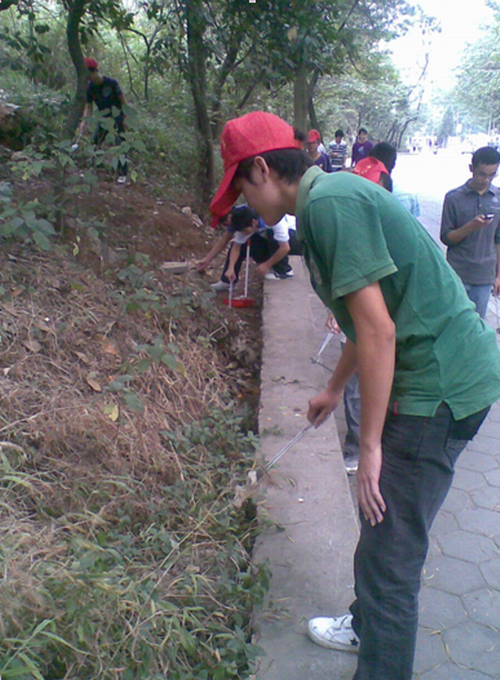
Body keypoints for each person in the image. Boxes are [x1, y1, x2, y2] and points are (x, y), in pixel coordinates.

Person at [209, 111, 500, 680]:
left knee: (391, 558)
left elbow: (379, 332)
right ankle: (366, 625)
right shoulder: (326, 201)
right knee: (382, 531)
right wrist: (334, 387)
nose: (245, 203)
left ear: (262, 169)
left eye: (241, 187)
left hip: (438, 390)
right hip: (439, 375)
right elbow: (369, 316)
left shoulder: (330, 205)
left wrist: (368, 448)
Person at [440, 146, 500, 318]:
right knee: (455, 322)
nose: (486, 180)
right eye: (482, 174)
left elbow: (498, 239)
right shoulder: (454, 198)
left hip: (484, 276)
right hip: (458, 273)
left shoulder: (497, 197)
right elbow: (446, 238)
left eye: (492, 175)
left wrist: (498, 275)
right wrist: (471, 226)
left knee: (477, 324)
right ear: (471, 168)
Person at [210, 207, 299, 292]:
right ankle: (227, 282)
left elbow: (285, 248)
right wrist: (231, 268)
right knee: (245, 243)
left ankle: (284, 271)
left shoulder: (272, 219)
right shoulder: (244, 222)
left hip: (296, 239)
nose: (244, 233)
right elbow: (236, 247)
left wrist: (267, 265)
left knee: (271, 234)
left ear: (253, 222)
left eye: (245, 230)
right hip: (275, 241)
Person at [79, 57, 128, 182]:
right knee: (95, 142)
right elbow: (89, 107)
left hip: (118, 116)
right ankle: (94, 168)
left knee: (120, 144)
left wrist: (126, 118)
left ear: (94, 71)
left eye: (88, 74)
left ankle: (122, 173)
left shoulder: (111, 83)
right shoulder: (90, 88)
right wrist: (84, 122)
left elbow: (123, 101)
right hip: (104, 118)